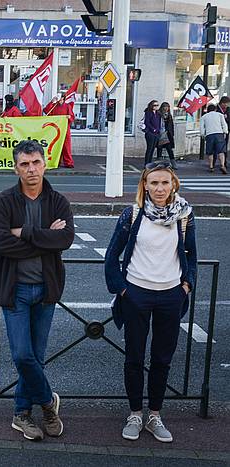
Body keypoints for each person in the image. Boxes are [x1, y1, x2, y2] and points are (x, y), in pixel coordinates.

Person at [0, 139, 74, 441]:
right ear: (16, 167)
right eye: (24, 164)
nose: (31, 169)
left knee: (37, 355)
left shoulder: (58, 201)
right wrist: (45, 238)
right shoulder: (3, 203)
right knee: (23, 354)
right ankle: (48, 403)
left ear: (45, 163)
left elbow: (65, 240)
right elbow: (1, 245)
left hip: (46, 289)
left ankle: (21, 413)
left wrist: (25, 234)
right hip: (15, 289)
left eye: (35, 162)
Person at [104, 161, 196, 443]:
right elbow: (111, 256)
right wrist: (121, 290)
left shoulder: (184, 215)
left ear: (173, 185)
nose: (159, 188)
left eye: (164, 183)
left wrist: (186, 285)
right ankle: (135, 414)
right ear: (144, 184)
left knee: (162, 359)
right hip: (136, 295)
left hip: (170, 294)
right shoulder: (132, 214)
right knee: (134, 357)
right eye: (153, 183)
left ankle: (154, 415)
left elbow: (191, 253)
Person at [44, 94, 75, 168]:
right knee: (56, 146)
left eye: (61, 98)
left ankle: (68, 162)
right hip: (56, 129)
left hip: (65, 129)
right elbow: (46, 111)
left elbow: (72, 116)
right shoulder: (54, 106)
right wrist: (52, 102)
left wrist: (69, 117)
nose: (60, 100)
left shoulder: (67, 106)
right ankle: (56, 161)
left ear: (63, 99)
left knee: (66, 146)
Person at [200, 104, 229, 174]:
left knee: (210, 152)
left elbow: (202, 127)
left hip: (209, 135)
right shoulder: (220, 115)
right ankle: (222, 165)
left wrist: (202, 134)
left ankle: (211, 166)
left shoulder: (204, 117)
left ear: (208, 110)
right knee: (221, 151)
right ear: (215, 109)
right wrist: (225, 132)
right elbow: (224, 124)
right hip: (219, 134)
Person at [156, 102, 177, 170]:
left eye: (167, 107)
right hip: (160, 134)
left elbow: (171, 125)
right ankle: (159, 163)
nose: (166, 108)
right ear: (162, 107)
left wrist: (172, 133)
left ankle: (173, 163)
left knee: (169, 149)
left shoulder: (169, 115)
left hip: (167, 135)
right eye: (164, 107)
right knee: (159, 149)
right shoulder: (158, 114)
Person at [143, 100, 161, 166]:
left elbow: (159, 123)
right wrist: (153, 129)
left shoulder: (158, 113)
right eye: (155, 105)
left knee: (153, 149)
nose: (156, 107)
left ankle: (150, 163)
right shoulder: (148, 113)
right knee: (149, 149)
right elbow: (147, 122)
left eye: (157, 105)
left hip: (156, 134)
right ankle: (146, 164)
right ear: (151, 106)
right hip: (150, 133)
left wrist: (158, 130)